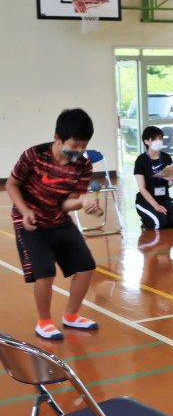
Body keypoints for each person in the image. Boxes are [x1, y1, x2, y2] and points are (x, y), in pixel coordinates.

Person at [6, 108, 102, 340]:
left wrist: (82, 202)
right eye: (74, 145)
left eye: (83, 146)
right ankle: (45, 322)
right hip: (30, 222)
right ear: (57, 138)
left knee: (86, 266)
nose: (78, 151)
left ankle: (71, 316)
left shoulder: (83, 165)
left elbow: (65, 204)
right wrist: (25, 210)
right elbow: (11, 184)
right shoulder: (34, 155)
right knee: (45, 273)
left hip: (58, 220)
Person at [134, 125, 173, 230]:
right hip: (146, 200)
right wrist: (156, 206)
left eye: (160, 138)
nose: (158, 141)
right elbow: (142, 189)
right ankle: (145, 217)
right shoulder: (141, 160)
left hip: (163, 198)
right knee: (160, 223)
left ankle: (157, 213)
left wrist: (172, 180)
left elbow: (167, 185)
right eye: (155, 139)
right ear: (146, 141)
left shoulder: (166, 157)